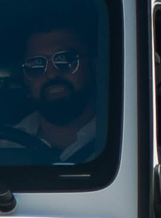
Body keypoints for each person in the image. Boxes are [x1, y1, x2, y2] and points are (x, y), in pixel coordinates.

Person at [7, 25, 104, 161]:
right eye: (36, 65)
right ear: (25, 80)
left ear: (94, 67)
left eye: (65, 60)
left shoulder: (126, 136)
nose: (52, 74)